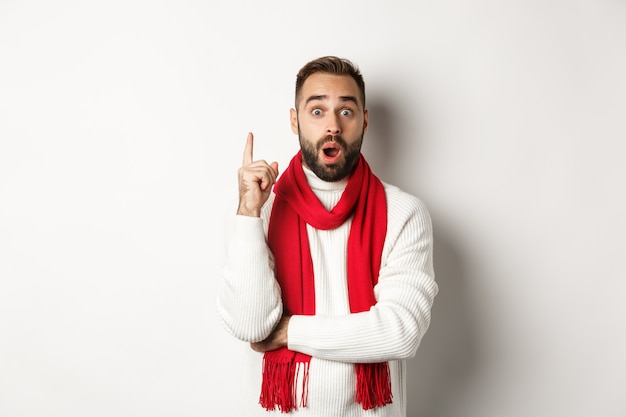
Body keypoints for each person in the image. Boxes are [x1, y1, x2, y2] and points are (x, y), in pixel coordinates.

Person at [216, 56, 438, 416]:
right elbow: (250, 325)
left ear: (364, 121)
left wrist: (290, 332)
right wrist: (248, 214)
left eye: (346, 112)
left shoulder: (403, 213)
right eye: (317, 111)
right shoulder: (258, 212)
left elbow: (400, 330)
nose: (332, 126)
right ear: (295, 120)